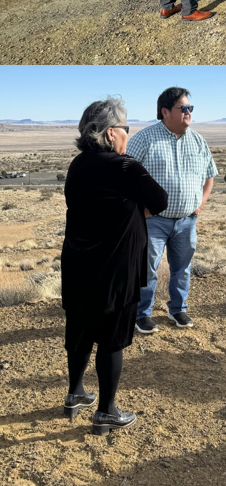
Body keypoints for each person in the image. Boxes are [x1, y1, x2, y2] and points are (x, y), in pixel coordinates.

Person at [61, 98, 168, 435]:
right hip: (116, 269)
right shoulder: (124, 166)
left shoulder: (77, 165)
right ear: (111, 133)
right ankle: (106, 412)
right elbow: (161, 201)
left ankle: (75, 393)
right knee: (111, 339)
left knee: (79, 331)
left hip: (78, 263)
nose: (127, 134)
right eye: (125, 128)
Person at [126, 87, 217, 333]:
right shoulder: (145, 139)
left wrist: (200, 205)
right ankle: (142, 313)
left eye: (190, 108)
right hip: (153, 221)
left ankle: (178, 309)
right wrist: (139, 208)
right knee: (147, 269)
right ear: (165, 112)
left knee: (183, 269)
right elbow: (123, 175)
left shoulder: (198, 141)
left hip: (187, 221)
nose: (188, 113)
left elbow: (209, 176)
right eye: (183, 108)